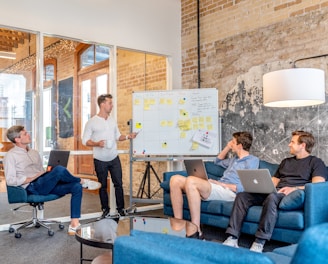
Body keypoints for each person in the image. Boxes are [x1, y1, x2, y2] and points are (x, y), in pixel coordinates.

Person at [223, 130, 327, 253]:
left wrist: (294, 188)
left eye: (292, 142)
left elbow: (317, 185)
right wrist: (261, 186)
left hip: (290, 194)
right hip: (275, 192)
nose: (289, 144)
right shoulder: (286, 162)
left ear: (302, 145)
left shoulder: (316, 162)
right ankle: (232, 237)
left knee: (272, 197)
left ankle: (259, 242)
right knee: (242, 196)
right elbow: (273, 182)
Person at [3, 125, 101, 235]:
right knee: (59, 170)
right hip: (32, 187)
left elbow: (40, 170)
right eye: (25, 134)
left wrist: (47, 172)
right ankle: (82, 181)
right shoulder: (10, 156)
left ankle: (74, 224)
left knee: (75, 187)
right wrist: (31, 178)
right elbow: (10, 180)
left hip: (43, 183)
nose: (28, 134)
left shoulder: (34, 152)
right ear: (17, 139)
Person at [170, 131, 259, 239]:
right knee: (175, 180)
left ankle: (196, 230)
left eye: (233, 142)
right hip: (218, 187)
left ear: (239, 146)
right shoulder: (234, 160)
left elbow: (244, 187)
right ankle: (178, 224)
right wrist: (227, 147)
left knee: (191, 181)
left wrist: (221, 183)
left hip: (230, 192)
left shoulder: (252, 161)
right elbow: (217, 161)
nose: (230, 143)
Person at [82, 94, 137, 219]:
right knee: (102, 185)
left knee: (118, 184)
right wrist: (97, 143)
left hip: (114, 157)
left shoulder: (112, 120)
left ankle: (121, 209)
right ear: (102, 104)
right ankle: (105, 210)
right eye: (110, 103)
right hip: (100, 160)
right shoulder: (92, 122)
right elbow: (85, 141)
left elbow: (118, 136)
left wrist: (128, 136)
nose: (111, 105)